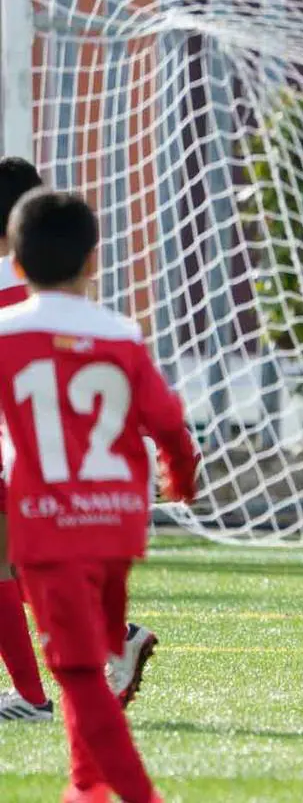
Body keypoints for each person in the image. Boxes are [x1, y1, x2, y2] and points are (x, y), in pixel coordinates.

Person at [0, 189, 199, 800]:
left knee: (80, 674)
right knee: (95, 656)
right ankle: (85, 788)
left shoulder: (5, 332)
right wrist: (181, 480)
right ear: (94, 261)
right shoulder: (120, 332)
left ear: (17, 264)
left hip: (46, 521)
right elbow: (169, 422)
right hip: (117, 521)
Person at [0, 159, 157, 724]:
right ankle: (106, 640)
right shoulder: (57, 289)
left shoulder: (11, 295)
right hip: (66, 458)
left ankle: (36, 694)